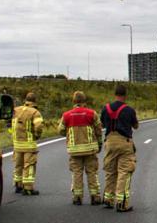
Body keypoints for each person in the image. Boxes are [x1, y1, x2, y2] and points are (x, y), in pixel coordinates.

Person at [58, 91, 103, 206]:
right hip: (90, 150)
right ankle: (95, 197)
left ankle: (77, 197)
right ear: (84, 101)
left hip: (74, 150)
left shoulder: (66, 115)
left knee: (77, 173)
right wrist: (99, 144)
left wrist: (69, 134)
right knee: (92, 172)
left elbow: (60, 130)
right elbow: (99, 129)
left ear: (74, 101)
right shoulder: (92, 114)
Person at [101, 84, 139, 212]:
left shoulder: (105, 109)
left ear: (115, 94)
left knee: (110, 171)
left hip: (109, 142)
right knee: (124, 171)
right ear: (125, 95)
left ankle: (108, 199)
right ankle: (122, 203)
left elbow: (102, 123)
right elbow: (136, 126)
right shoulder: (129, 110)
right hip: (124, 142)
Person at [12, 92, 44, 196]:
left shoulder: (16, 110)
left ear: (25, 100)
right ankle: (28, 188)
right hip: (29, 145)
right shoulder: (35, 112)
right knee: (29, 165)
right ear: (35, 101)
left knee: (18, 165)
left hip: (17, 144)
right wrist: (36, 135)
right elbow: (38, 127)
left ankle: (18, 185)